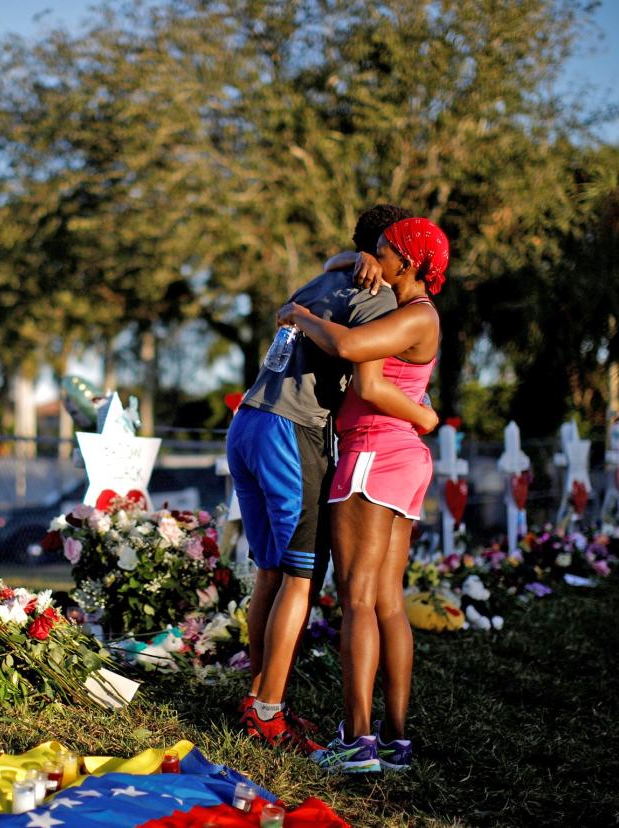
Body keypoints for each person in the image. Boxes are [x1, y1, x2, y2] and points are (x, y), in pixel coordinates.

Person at [227, 205, 439, 754]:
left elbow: (354, 346)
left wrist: (304, 302)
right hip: (294, 431)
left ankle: (262, 700)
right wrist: (424, 415)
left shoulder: (330, 277)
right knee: (305, 576)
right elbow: (362, 374)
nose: (385, 258)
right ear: (383, 254)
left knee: (273, 573)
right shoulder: (380, 295)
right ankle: (272, 711)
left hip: (249, 419)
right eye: (385, 248)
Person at [278, 216, 449, 774]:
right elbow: (340, 265)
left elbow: (352, 351)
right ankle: (395, 739)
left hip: (374, 454)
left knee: (356, 601)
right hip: (398, 459)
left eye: (384, 251)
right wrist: (353, 262)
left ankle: (358, 741)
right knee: (387, 602)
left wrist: (300, 316)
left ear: (411, 262)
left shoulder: (413, 316)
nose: (374, 257)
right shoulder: (408, 309)